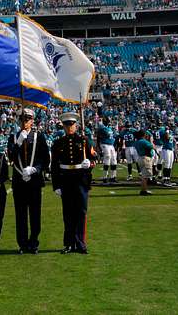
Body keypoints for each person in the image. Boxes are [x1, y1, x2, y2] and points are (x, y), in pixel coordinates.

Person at [7, 108, 50, 254]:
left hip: (34, 182)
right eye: (22, 120)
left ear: (32, 121)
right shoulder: (13, 138)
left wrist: (35, 169)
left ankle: (34, 242)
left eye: (27, 120)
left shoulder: (40, 137)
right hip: (19, 182)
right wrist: (19, 142)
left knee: (35, 214)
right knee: (20, 215)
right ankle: (22, 244)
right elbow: (11, 157)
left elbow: (45, 160)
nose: (25, 123)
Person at [51, 111, 93, 254]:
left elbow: (94, 156)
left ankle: (80, 243)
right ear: (63, 126)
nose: (69, 127)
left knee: (81, 211)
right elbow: (54, 165)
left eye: (72, 124)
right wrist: (56, 185)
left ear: (76, 125)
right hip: (65, 180)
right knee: (68, 213)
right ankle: (69, 243)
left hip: (81, 179)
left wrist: (90, 163)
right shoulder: (58, 143)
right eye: (66, 125)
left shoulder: (84, 140)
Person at [97, 118, 117, 183]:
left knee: (114, 160)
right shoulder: (102, 128)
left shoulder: (110, 128)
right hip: (104, 144)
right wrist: (99, 147)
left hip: (111, 145)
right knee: (107, 157)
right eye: (107, 121)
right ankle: (104, 177)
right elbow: (98, 137)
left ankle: (113, 177)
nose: (109, 122)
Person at [135, 130, 155, 196]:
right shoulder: (144, 141)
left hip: (140, 157)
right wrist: (150, 141)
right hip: (145, 158)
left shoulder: (137, 142)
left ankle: (144, 189)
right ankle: (144, 190)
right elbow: (151, 147)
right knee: (145, 176)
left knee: (144, 175)